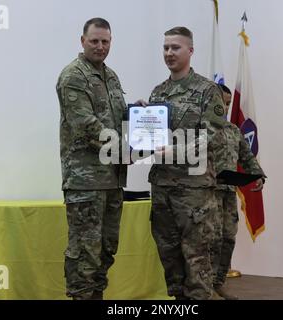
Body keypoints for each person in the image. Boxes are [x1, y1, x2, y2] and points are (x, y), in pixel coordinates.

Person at [138, 26, 227, 300]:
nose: (169, 53)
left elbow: (213, 137)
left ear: (190, 50)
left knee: (197, 263)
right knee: (171, 262)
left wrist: (173, 151)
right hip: (163, 189)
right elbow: (153, 139)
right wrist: (142, 120)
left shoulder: (207, 91)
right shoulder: (158, 92)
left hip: (194, 193)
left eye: (175, 47)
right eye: (165, 48)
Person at [56, 17, 127, 300]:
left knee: (107, 248)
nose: (100, 46)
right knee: (85, 252)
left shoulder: (111, 77)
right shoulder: (74, 76)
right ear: (82, 41)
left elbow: (118, 118)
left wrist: (141, 115)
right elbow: (87, 126)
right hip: (85, 182)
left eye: (105, 41)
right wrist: (128, 149)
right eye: (94, 41)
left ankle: (95, 296)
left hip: (112, 179)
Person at [210, 84, 266, 300]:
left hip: (227, 194)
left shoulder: (233, 131)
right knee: (209, 241)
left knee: (227, 238)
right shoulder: (200, 130)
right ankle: (205, 287)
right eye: (220, 103)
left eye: (227, 103)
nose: (224, 107)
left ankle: (218, 283)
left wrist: (258, 174)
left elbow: (247, 156)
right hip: (207, 194)